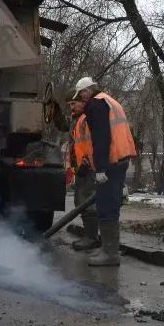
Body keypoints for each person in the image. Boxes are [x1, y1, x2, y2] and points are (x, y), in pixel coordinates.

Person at [69, 77, 136, 266]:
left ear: (87, 92)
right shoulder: (110, 101)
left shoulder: (96, 105)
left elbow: (101, 138)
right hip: (120, 159)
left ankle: (110, 253)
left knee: (106, 206)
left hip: (110, 162)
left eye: (81, 95)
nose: (82, 99)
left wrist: (100, 168)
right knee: (110, 204)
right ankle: (108, 248)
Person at [63, 88, 102, 251]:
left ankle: (91, 238)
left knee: (85, 201)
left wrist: (86, 162)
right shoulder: (77, 118)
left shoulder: (89, 118)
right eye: (69, 105)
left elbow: (95, 142)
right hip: (82, 166)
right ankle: (91, 235)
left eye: (74, 103)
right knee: (81, 200)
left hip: (89, 167)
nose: (71, 107)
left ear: (83, 101)